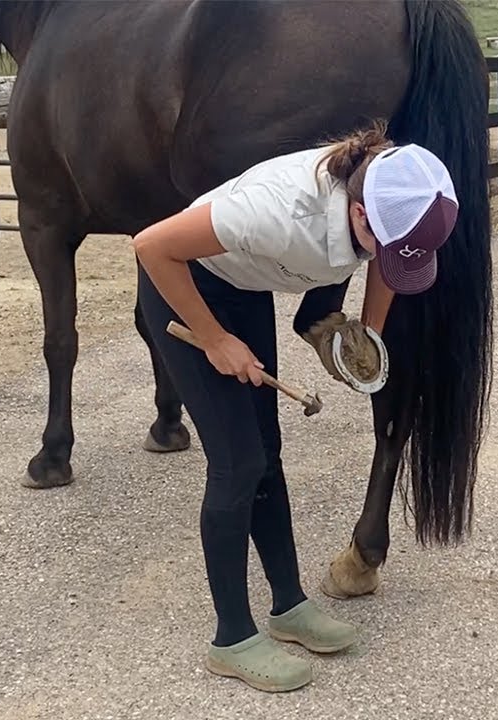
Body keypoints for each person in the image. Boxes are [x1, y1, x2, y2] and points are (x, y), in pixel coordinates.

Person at [129, 119, 459, 693]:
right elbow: (151, 245)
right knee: (237, 463)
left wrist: (369, 336)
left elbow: (387, 264)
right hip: (183, 285)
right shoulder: (276, 212)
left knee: (268, 452)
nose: (388, 256)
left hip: (243, 286)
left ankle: (287, 605)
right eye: (385, 241)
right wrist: (213, 339)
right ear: (360, 214)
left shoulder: (398, 187)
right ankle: (231, 638)